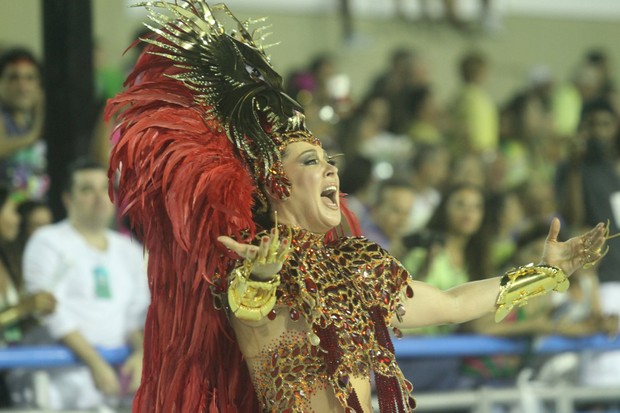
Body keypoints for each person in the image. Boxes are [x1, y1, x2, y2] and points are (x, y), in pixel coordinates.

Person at [104, 1, 609, 412]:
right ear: (276, 182)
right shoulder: (254, 264)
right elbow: (251, 313)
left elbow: (452, 304)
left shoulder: (355, 265)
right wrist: (258, 279)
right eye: (311, 160)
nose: (331, 171)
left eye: (330, 161)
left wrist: (544, 272)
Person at [17, 159, 149, 410]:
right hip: (60, 376)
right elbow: (50, 313)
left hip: (121, 375)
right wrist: (95, 362)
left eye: (105, 189)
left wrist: (141, 353)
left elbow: (137, 314)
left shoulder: (129, 250)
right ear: (68, 198)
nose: (99, 198)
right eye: (87, 190)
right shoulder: (47, 242)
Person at [0, 185, 55, 407]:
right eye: (11, 211)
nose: (17, 220)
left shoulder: (8, 261)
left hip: (9, 374)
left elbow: (9, 330)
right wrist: (22, 309)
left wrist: (34, 315)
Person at [0, 48, 48, 199]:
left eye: (30, 78)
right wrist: (33, 135)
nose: (22, 86)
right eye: (13, 78)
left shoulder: (29, 121)